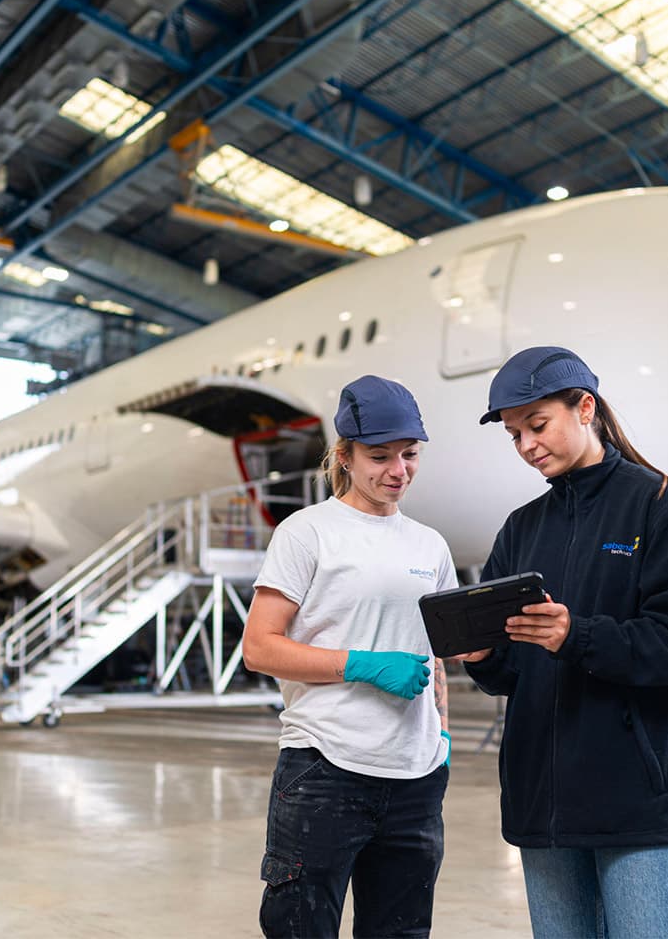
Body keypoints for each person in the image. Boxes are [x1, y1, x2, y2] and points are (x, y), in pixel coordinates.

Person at [461, 346, 668, 939]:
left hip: (641, 802)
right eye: (514, 435)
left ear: (585, 408)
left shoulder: (659, 506)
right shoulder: (521, 528)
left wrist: (576, 634)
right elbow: (510, 672)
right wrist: (483, 656)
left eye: (538, 425)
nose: (527, 445)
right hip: (545, 805)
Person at [243, 375, 456, 939]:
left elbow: (434, 657)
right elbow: (259, 647)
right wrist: (359, 663)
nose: (398, 471)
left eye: (410, 456)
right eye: (380, 456)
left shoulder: (430, 545)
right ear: (345, 456)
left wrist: (443, 740)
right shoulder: (307, 533)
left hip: (416, 774)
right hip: (325, 767)